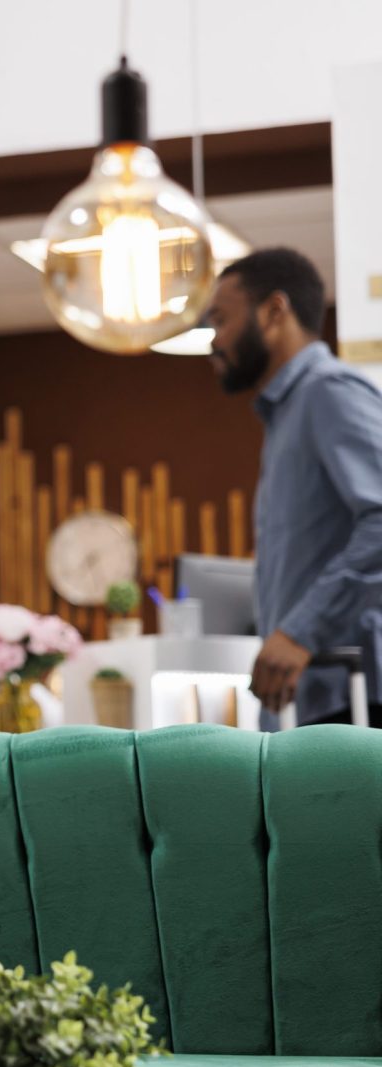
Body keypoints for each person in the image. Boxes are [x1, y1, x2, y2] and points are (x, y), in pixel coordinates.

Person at [204, 247, 382, 726]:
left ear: (274, 311)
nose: (213, 340)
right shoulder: (287, 413)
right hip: (315, 699)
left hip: (354, 699)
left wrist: (302, 631)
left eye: (221, 319)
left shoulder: (328, 392)